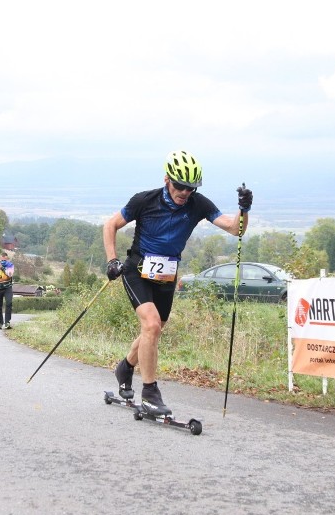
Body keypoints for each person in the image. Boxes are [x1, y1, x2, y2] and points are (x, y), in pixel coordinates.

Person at [102, 150, 252, 417]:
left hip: (167, 276)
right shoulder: (144, 200)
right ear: (167, 179)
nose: (185, 192)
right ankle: (150, 393)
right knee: (150, 324)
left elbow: (235, 229)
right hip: (137, 270)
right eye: (180, 185)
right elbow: (111, 224)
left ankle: (125, 367)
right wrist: (112, 260)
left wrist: (244, 209)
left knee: (155, 329)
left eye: (191, 187)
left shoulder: (198, 204)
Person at [0, 251, 15, 329]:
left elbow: (10, 274)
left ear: (7, 259)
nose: (3, 261)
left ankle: (7, 322)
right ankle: (0, 323)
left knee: (9, 303)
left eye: (4, 260)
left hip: (8, 286)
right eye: (1, 260)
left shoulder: (10, 265)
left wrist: (2, 267)